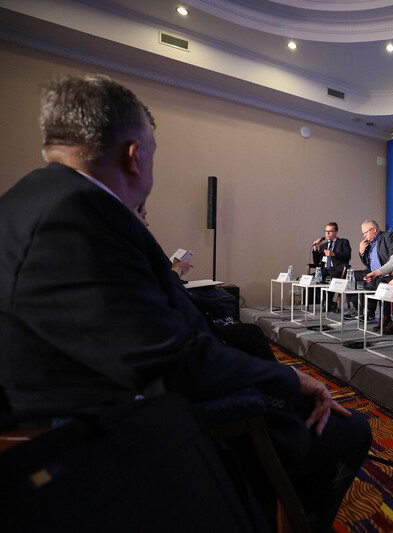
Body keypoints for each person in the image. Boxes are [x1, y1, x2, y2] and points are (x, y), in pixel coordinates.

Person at [0, 74, 371, 532]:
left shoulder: (31, 200)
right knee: (353, 429)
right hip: (107, 434)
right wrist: (290, 381)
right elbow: (177, 363)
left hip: (114, 401)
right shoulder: (78, 216)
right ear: (135, 156)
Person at [135, 203, 276, 363]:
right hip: (179, 330)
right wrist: (178, 270)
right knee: (252, 333)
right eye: (143, 216)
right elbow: (162, 285)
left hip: (178, 322)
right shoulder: (136, 250)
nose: (147, 223)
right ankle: (284, 380)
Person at [344, 220, 393, 329]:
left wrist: (383, 271)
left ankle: (370, 312)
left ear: (374, 229)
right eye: (363, 234)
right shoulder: (368, 243)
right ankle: (357, 309)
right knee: (351, 275)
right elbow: (367, 263)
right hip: (371, 270)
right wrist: (362, 252)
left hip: (385, 271)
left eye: (365, 233)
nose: (364, 236)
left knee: (375, 280)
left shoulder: (388, 236)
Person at [311, 222, 351, 312]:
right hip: (325, 270)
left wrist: (334, 254)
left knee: (332, 279)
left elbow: (347, 256)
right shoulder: (323, 246)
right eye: (326, 231)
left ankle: (329, 304)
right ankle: (329, 303)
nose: (327, 233)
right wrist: (315, 249)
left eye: (330, 231)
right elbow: (316, 262)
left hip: (337, 270)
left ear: (336, 232)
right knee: (312, 279)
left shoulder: (343, 242)